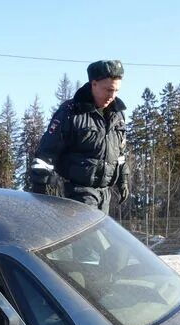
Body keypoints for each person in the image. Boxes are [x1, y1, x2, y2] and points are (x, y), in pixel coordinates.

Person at [31, 60, 129, 215]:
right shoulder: (71, 113)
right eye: (108, 90)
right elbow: (46, 152)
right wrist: (39, 186)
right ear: (94, 84)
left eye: (116, 90)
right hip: (76, 192)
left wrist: (123, 179)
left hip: (104, 194)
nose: (112, 96)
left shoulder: (118, 116)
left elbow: (121, 154)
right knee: (89, 239)